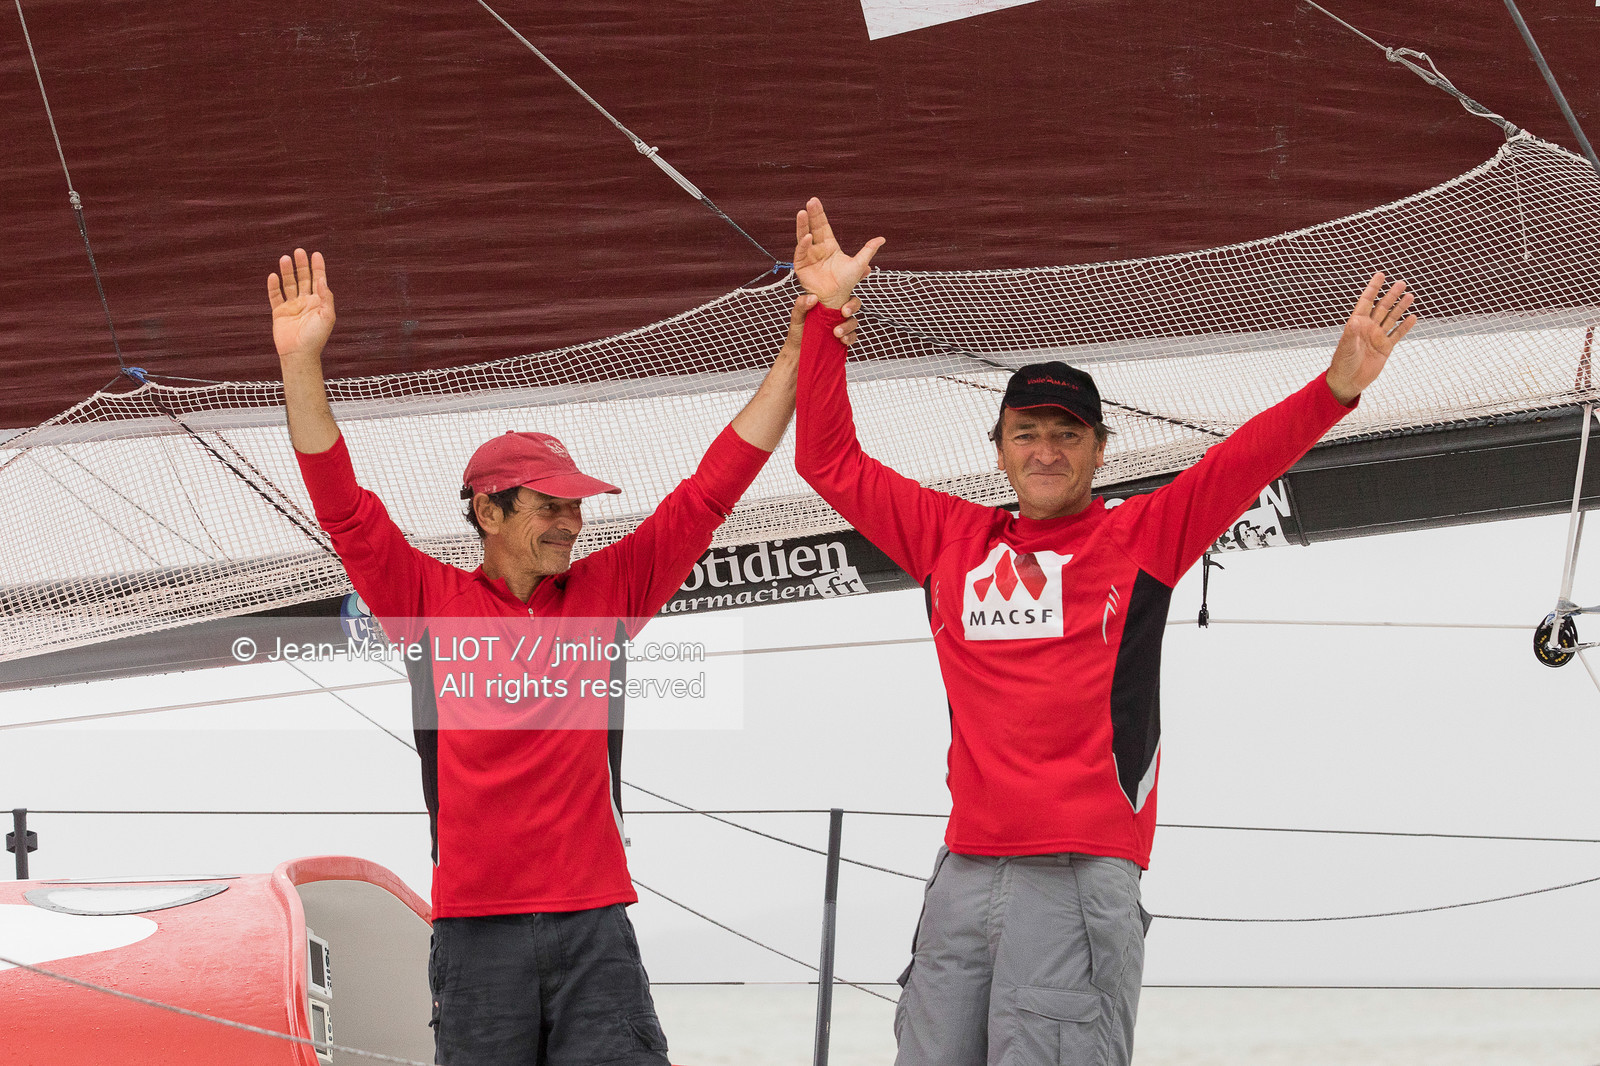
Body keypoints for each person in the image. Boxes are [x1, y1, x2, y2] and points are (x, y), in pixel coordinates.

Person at [787, 199, 1416, 1066]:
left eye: (1067, 436)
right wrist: (823, 318)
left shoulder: (1140, 537)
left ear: (1098, 449)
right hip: (963, 871)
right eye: (1028, 435)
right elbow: (826, 462)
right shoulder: (947, 539)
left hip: (1081, 876)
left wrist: (1337, 385)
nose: (1047, 451)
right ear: (1001, 450)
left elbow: (1240, 463)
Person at [268, 246, 859, 1066]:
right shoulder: (428, 603)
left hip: (595, 927)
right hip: (476, 936)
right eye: (549, 507)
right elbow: (344, 512)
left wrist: (805, 336)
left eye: (575, 508)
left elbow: (712, 490)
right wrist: (301, 363)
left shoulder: (606, 593)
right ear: (488, 510)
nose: (571, 525)